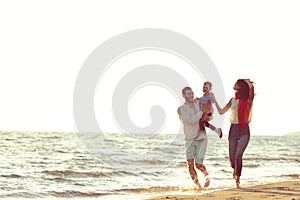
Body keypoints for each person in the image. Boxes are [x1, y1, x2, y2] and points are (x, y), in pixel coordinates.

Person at [211, 79, 254, 188]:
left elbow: (251, 90)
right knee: (232, 159)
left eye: (236, 84)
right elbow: (221, 111)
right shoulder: (232, 100)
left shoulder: (248, 100)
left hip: (244, 129)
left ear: (240, 87)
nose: (233, 85)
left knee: (238, 155)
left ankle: (238, 180)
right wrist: (214, 100)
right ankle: (235, 169)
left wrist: (247, 82)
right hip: (233, 129)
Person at [177, 87, 210, 189]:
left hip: (201, 138)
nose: (191, 95)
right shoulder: (181, 109)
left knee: (198, 164)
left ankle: (206, 176)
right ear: (184, 95)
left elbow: (208, 116)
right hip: (189, 139)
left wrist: (207, 114)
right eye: (188, 94)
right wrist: (201, 113)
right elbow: (189, 120)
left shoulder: (198, 105)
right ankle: (198, 186)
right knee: (190, 165)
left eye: (191, 93)